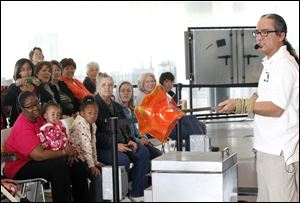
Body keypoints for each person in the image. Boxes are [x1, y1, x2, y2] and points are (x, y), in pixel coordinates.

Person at [218, 14, 299, 202]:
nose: (259, 37)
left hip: (279, 151)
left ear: (281, 35)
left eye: (265, 32)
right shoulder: (271, 63)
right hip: (266, 147)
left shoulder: (284, 65)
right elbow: (270, 97)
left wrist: (241, 105)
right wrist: (254, 97)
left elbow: (277, 107)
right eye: (257, 32)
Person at [3, 91, 90, 201]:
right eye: (30, 107)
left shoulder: (38, 118)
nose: (35, 108)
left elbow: (55, 136)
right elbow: (38, 155)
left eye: (37, 104)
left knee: (76, 164)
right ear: (21, 108)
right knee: (58, 166)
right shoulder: (22, 126)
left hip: (36, 158)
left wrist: (69, 151)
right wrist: (64, 152)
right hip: (19, 166)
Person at [95, 73, 150, 201]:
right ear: (97, 87)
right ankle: (119, 196)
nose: (107, 87)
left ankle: (137, 193)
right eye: (104, 85)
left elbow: (126, 128)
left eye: (110, 85)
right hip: (103, 148)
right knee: (123, 160)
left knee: (142, 152)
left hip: (122, 143)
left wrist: (131, 140)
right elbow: (96, 134)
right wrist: (114, 145)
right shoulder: (94, 106)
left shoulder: (117, 106)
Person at [137, 72, 206, 151]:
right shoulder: (143, 97)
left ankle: (199, 149)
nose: (151, 83)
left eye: (152, 81)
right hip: (161, 128)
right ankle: (201, 149)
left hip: (169, 123)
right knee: (192, 123)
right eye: (147, 81)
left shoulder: (166, 94)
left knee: (200, 125)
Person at [115, 80, 162, 160]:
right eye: (123, 91)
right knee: (155, 154)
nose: (126, 93)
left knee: (158, 154)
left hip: (138, 140)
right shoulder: (117, 110)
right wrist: (138, 141)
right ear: (118, 93)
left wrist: (143, 137)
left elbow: (139, 128)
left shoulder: (132, 109)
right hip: (130, 143)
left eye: (129, 91)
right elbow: (127, 134)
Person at [70, 96, 103, 202]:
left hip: (86, 157)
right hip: (78, 157)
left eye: (95, 113)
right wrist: (92, 166)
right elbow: (86, 146)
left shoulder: (92, 124)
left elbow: (93, 144)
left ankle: (98, 198)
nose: (93, 115)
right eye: (90, 113)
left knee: (102, 170)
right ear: (82, 113)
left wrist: (95, 161)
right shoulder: (81, 124)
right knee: (96, 174)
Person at [4, 58, 41, 126]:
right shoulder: (14, 87)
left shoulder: (37, 86)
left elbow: (46, 100)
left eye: (29, 69)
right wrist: (16, 86)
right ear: (18, 72)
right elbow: (6, 101)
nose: (27, 72)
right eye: (23, 70)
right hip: (18, 123)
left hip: (35, 121)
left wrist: (41, 85)